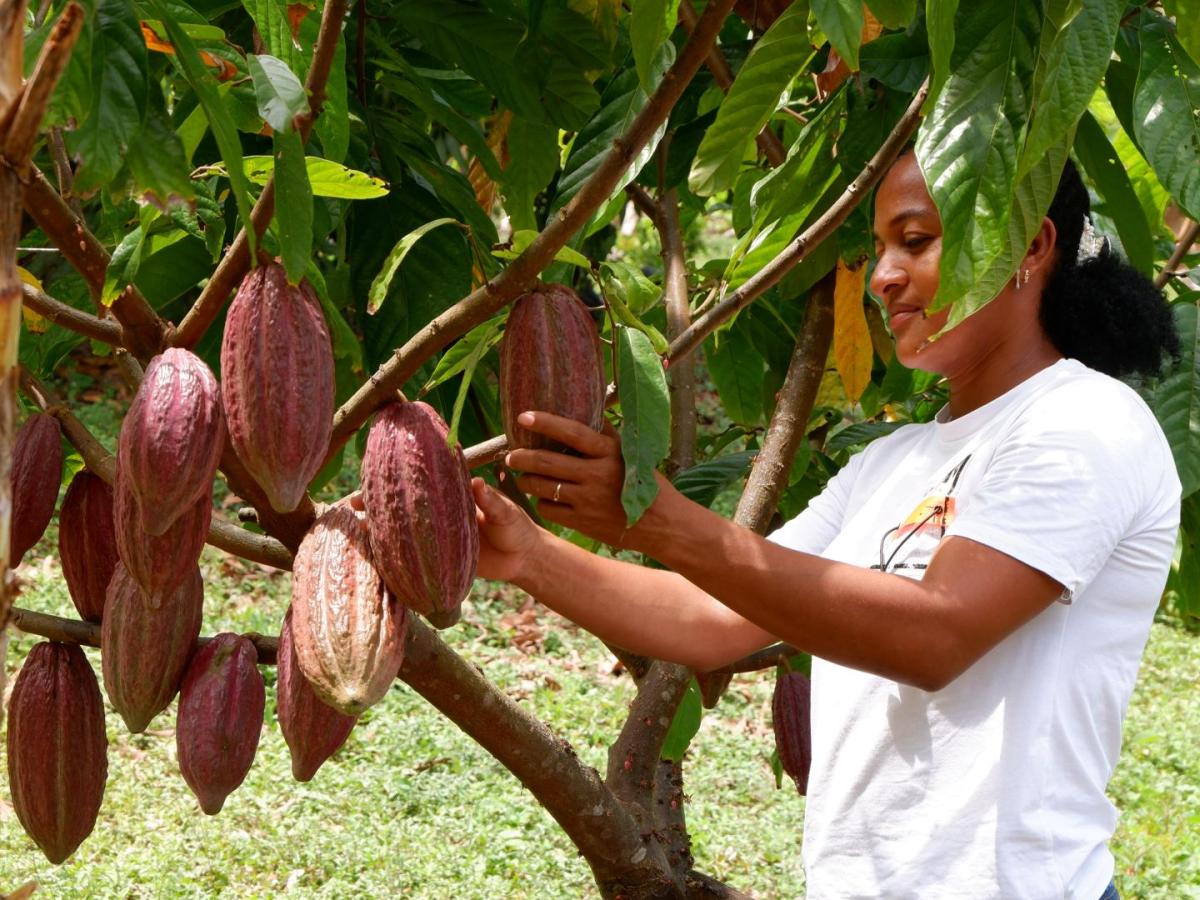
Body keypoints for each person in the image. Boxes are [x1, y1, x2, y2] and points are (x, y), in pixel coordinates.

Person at [469, 151, 1182, 900]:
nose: (882, 276)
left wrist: (662, 522)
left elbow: (936, 635)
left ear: (1032, 246)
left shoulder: (1085, 421)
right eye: (879, 248)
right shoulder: (890, 462)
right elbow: (714, 618)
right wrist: (529, 555)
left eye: (916, 240)